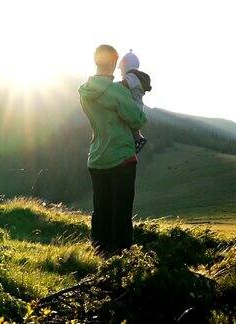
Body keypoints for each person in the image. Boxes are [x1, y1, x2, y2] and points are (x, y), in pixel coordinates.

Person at [78, 44, 147, 255]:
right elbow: (138, 119)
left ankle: (99, 253)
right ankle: (121, 260)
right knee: (121, 212)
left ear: (95, 61)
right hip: (121, 157)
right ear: (115, 64)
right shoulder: (117, 92)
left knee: (101, 209)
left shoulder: (85, 91)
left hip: (97, 156)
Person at [119, 50, 152, 153]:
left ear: (125, 66)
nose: (120, 72)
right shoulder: (137, 77)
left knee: (127, 123)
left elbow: (124, 85)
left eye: (121, 69)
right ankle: (138, 139)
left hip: (133, 107)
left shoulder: (132, 77)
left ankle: (138, 139)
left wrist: (109, 86)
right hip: (137, 106)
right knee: (132, 127)